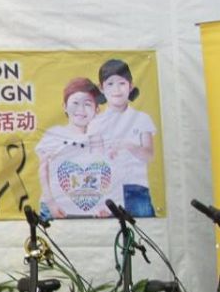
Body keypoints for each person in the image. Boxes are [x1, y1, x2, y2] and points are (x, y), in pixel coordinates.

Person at [35, 77, 120, 218]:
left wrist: (107, 205)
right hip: (57, 210)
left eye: (87, 104)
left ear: (97, 109)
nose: (81, 109)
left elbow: (112, 174)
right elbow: (43, 171)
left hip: (95, 212)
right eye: (75, 103)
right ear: (64, 106)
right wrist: (51, 204)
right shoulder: (54, 134)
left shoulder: (104, 138)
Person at [88, 58, 157, 217]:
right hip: (108, 191)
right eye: (110, 84)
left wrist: (127, 145)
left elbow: (149, 155)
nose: (117, 89)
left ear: (130, 86)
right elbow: (96, 163)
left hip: (136, 189)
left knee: (144, 231)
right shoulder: (96, 123)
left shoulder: (142, 118)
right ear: (101, 88)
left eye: (122, 83)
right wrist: (99, 201)